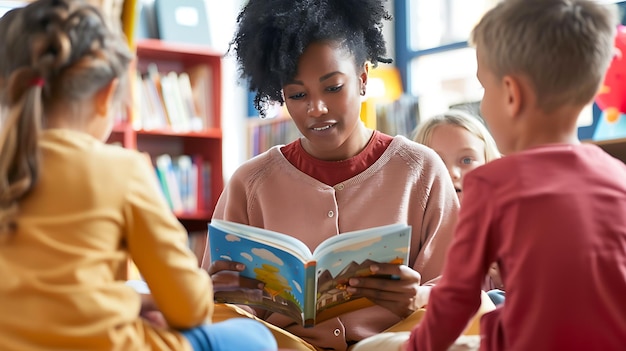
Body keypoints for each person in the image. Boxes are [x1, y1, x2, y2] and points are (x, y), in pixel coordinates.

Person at [0, 1, 276, 351]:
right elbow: (190, 308)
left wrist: (136, 303)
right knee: (255, 338)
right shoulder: (120, 169)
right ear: (105, 95)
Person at [201, 0, 464, 350]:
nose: (316, 108)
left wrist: (416, 298)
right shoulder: (250, 184)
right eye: (297, 94)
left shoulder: (421, 171)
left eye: (333, 87)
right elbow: (218, 309)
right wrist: (223, 293)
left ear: (363, 78)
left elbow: (462, 292)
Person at [402, 0, 626, 350]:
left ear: (511, 94)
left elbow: (456, 301)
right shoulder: (619, 178)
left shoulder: (491, 185)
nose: (484, 103)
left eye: (484, 89)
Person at [412, 110, 505, 305]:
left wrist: (507, 282)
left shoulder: (507, 229)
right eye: (438, 162)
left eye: (466, 160)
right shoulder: (416, 235)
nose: (452, 173)